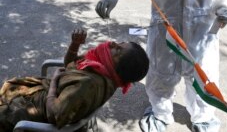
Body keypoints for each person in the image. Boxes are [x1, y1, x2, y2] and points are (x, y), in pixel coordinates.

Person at [95, 0, 227, 132]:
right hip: (165, 22)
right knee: (161, 74)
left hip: (202, 25)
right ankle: (160, 113)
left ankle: (204, 117)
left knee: (203, 75)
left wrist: (226, 5)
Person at [0, 29, 149, 131]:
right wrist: (75, 44)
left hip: (37, 111)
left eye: (118, 50)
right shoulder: (101, 68)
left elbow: (54, 115)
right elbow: (69, 65)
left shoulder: (88, 84)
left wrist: (53, 83)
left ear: (119, 67)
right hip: (43, 94)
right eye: (120, 43)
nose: (112, 44)